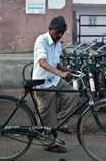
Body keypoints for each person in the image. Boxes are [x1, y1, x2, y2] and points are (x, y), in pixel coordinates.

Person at [32, 15, 78, 153]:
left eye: (62, 32)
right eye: (58, 32)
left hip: (55, 80)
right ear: (50, 29)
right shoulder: (42, 40)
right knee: (47, 114)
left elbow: (56, 62)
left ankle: (57, 125)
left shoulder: (58, 43)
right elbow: (42, 62)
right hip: (43, 83)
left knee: (73, 95)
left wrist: (67, 70)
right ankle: (49, 143)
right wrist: (60, 73)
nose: (60, 35)